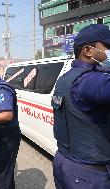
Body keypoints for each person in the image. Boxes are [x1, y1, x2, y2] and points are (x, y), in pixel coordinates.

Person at [51, 24, 110, 189]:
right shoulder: (90, 80)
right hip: (89, 174)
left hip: (64, 161)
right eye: (108, 46)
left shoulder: (64, 78)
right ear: (88, 50)